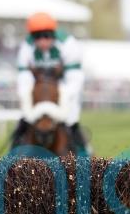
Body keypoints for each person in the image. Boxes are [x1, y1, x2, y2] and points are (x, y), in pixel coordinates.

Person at [11, 12, 90, 154]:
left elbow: (74, 79)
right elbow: (24, 79)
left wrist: (63, 99)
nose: (42, 41)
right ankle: (13, 153)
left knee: (71, 120)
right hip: (39, 91)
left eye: (46, 36)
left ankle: (84, 153)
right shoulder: (26, 47)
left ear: (53, 34)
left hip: (63, 89)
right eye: (37, 37)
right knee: (24, 121)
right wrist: (27, 99)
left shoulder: (68, 44)